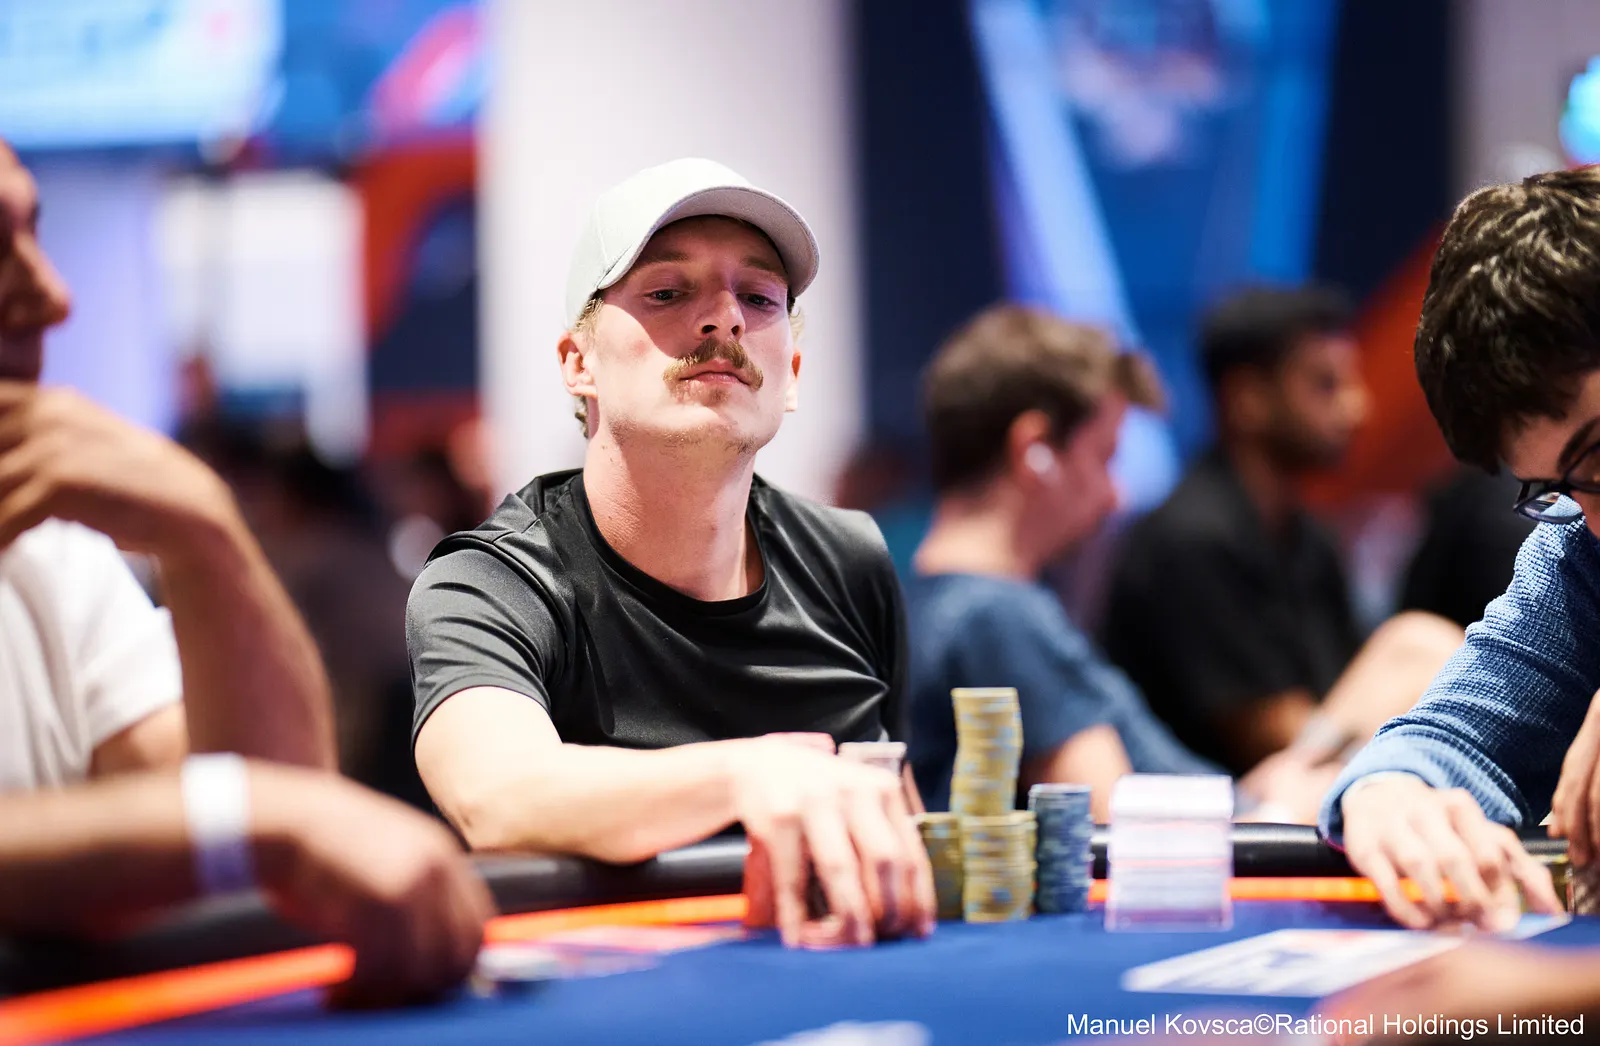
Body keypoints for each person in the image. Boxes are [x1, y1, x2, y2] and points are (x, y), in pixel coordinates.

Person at [0, 140, 491, 1005]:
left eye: (35, 234)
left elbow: (264, 817)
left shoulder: (53, 549)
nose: (52, 295)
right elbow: (268, 815)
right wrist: (250, 824)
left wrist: (205, 532)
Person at [408, 159, 935, 950]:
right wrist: (750, 774)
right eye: (667, 292)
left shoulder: (848, 559)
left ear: (791, 376)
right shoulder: (489, 581)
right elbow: (498, 796)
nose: (724, 318)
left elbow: (892, 824)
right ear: (578, 363)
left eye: (758, 297)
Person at [1320, 167, 1600, 932]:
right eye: (1559, 486)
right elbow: (1453, 737)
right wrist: (1392, 794)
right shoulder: (1579, 548)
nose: (1594, 519)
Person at [1101, 286, 1462, 776]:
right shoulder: (1189, 539)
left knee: (1421, 645)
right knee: (1417, 645)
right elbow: (1269, 736)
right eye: (1325, 385)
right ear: (1247, 399)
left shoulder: (1311, 538)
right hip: (1216, 808)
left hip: (1303, 794)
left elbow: (1342, 699)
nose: (1357, 407)